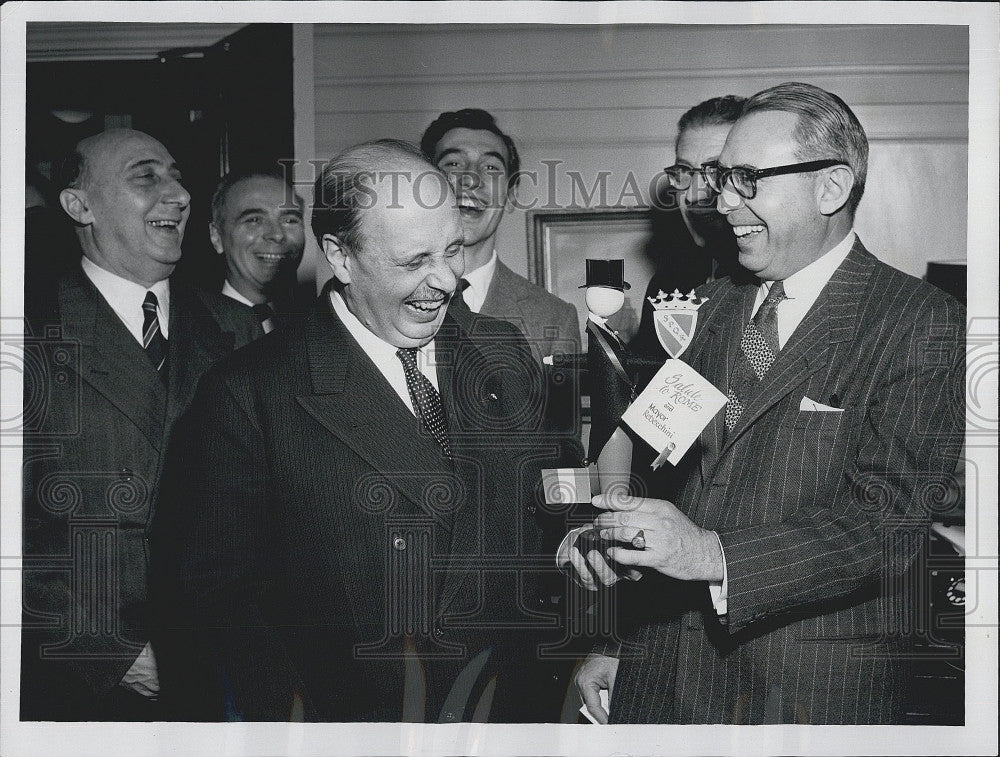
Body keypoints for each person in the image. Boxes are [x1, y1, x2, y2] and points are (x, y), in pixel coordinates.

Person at [568, 82, 965, 724]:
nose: (721, 202)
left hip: (807, 697)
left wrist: (710, 555)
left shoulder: (919, 323)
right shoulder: (711, 305)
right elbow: (656, 458)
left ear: (830, 187)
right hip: (664, 678)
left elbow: (888, 522)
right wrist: (613, 611)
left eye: (746, 179)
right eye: (723, 178)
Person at [161, 139, 576, 722]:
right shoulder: (250, 392)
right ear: (341, 256)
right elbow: (225, 603)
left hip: (506, 714)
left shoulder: (503, 353)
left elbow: (557, 512)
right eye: (414, 262)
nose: (447, 282)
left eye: (452, 251)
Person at [20, 128, 259, 721]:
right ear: (80, 205)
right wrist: (103, 649)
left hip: (222, 666)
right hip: (76, 681)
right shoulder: (26, 330)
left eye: (177, 175)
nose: (177, 193)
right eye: (146, 176)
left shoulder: (237, 329)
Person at [420, 108, 583, 443]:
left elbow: (561, 456)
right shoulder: (383, 299)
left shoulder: (553, 318)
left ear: (510, 195)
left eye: (491, 167)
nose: (471, 179)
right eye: (452, 164)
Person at [630, 95, 747, 362]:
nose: (693, 195)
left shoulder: (782, 286)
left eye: (715, 171)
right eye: (684, 170)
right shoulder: (668, 286)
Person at [209, 167, 310, 335]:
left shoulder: (318, 326)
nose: (277, 235)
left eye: (290, 220)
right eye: (254, 220)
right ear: (217, 236)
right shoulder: (190, 332)